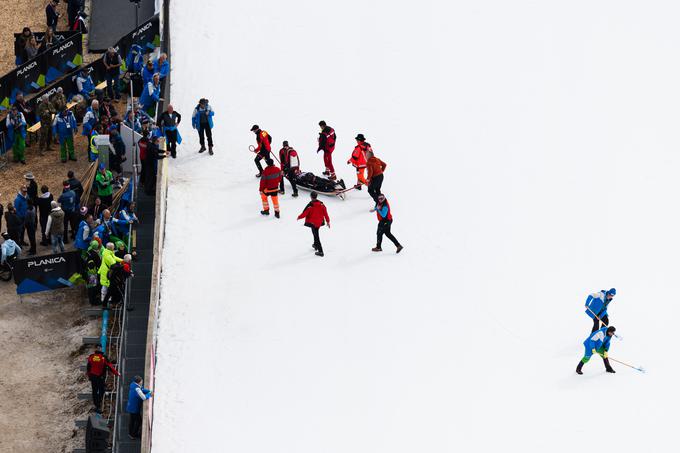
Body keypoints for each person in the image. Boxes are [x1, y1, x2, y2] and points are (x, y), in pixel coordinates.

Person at [86, 344, 120, 413]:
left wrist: (89, 376)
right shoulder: (103, 357)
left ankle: (97, 405)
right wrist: (117, 373)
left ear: (95, 349)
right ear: (101, 349)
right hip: (100, 377)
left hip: (93, 377)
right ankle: (99, 404)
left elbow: (88, 367)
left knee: (94, 391)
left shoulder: (91, 357)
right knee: (101, 391)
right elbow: (110, 366)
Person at [297, 191, 330, 257]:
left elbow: (304, 214)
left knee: (316, 236)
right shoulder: (322, 204)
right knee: (315, 233)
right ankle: (315, 245)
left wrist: (299, 217)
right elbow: (326, 213)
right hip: (319, 222)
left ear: (311, 197)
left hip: (313, 223)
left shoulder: (311, 206)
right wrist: (328, 221)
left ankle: (321, 251)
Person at [126, 376, 152, 440]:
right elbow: (143, 397)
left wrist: (148, 391)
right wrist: (150, 394)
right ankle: (133, 434)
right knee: (139, 421)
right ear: (139, 382)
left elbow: (142, 389)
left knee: (132, 420)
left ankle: (131, 433)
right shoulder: (137, 389)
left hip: (130, 406)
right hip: (134, 408)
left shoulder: (133, 385)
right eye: (141, 381)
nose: (142, 382)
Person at [85, 240, 102, 305]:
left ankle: (92, 299)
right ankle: (93, 301)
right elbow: (99, 264)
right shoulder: (95, 255)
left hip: (88, 272)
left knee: (91, 287)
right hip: (92, 273)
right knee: (92, 288)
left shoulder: (88, 251)